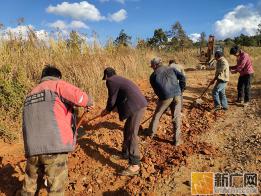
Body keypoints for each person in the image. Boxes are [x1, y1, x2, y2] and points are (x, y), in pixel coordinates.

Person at [20, 65, 94, 195]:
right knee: (56, 189)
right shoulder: (57, 85)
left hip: (32, 149)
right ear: (57, 76)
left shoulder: (30, 94)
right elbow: (81, 98)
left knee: (29, 187)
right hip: (53, 147)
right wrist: (89, 102)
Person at [101, 67, 147, 176]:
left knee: (132, 134)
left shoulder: (110, 81)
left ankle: (135, 165)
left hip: (136, 106)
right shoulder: (119, 79)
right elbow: (118, 98)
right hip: (138, 104)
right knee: (127, 129)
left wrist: (107, 110)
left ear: (106, 76)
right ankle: (125, 153)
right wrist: (109, 109)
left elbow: (112, 98)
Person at [146, 57, 186, 146]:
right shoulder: (171, 69)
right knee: (176, 117)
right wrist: (181, 89)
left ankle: (150, 133)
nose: (152, 68)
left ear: (155, 65)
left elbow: (156, 90)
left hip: (165, 97)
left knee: (157, 115)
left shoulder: (153, 76)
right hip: (177, 95)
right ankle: (177, 141)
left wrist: (162, 98)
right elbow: (182, 77)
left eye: (152, 66)